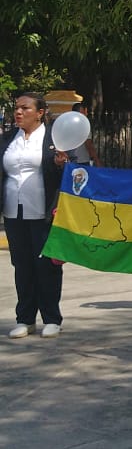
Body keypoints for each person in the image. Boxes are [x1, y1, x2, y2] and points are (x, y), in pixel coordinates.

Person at [3, 93, 67, 339]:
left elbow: (67, 174)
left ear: (40, 112)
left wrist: (61, 164)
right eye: (16, 108)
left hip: (43, 212)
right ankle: (25, 319)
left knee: (46, 265)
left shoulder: (53, 139)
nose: (18, 112)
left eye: (25, 108)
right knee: (22, 265)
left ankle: (51, 318)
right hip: (13, 211)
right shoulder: (9, 139)